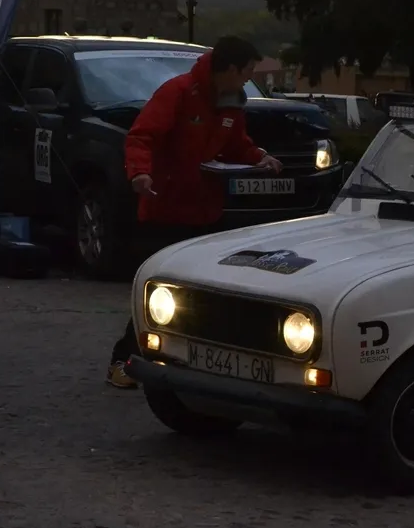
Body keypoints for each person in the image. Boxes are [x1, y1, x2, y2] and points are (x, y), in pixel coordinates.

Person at [105, 36, 283, 389]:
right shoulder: (178, 92)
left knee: (203, 293)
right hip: (165, 210)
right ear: (230, 69)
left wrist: (259, 157)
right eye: (247, 70)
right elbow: (141, 137)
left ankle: (191, 362)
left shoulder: (232, 102)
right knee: (159, 293)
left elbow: (237, 144)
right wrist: (140, 173)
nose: (249, 78)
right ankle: (123, 362)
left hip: (206, 211)